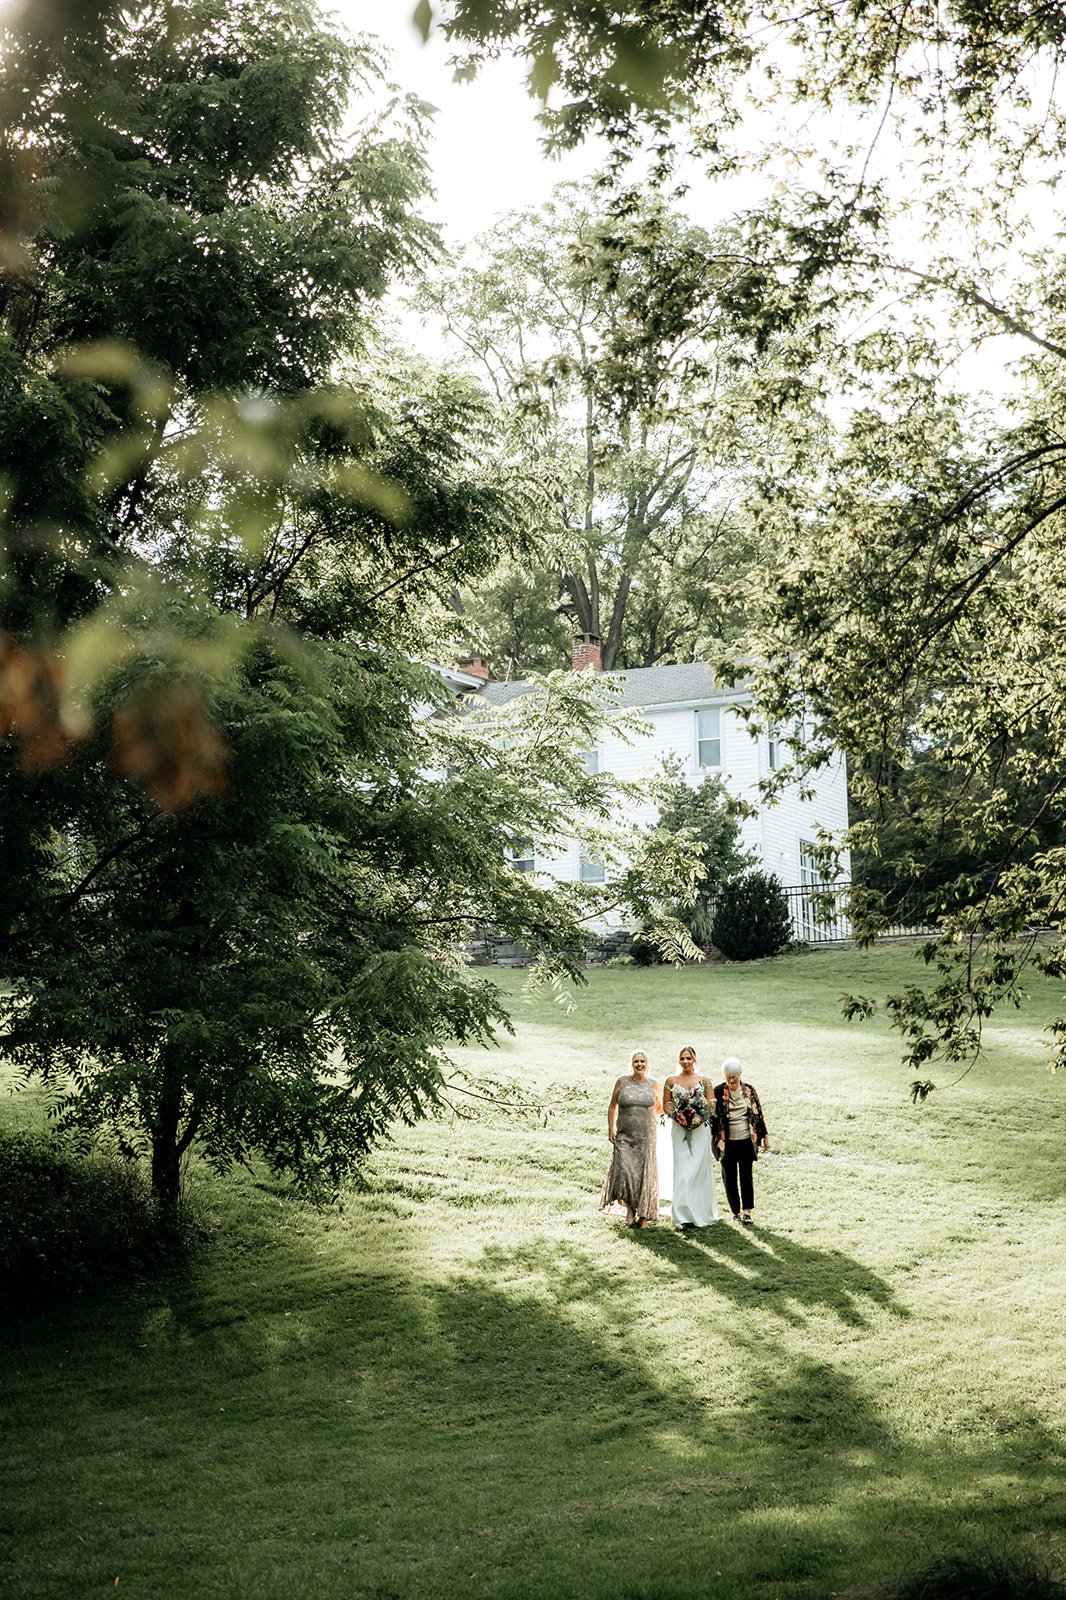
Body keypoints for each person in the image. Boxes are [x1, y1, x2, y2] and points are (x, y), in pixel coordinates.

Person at [601, 1049, 661, 1227]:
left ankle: (643, 1215)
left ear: (647, 1064)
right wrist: (610, 1128)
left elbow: (658, 1107)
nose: (640, 1064)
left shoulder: (653, 1084)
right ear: (632, 1064)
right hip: (625, 1136)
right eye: (636, 1061)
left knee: (643, 1174)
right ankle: (630, 1209)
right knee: (625, 1172)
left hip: (646, 1137)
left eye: (643, 1061)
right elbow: (612, 1107)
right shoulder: (622, 1081)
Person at [663, 1045, 719, 1230]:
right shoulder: (671, 1080)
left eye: (689, 1058)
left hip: (701, 1130)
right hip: (679, 1130)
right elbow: (667, 1105)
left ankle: (700, 1213)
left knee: (698, 1171)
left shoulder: (705, 1081)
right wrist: (679, 1118)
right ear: (678, 1060)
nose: (686, 1061)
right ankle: (681, 1216)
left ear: (694, 1059)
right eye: (682, 1058)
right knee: (682, 1172)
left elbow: (711, 1106)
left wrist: (698, 1119)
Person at [713, 1056, 769, 1225]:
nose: (731, 1080)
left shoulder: (749, 1090)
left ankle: (747, 1212)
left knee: (746, 1176)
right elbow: (713, 1118)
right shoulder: (718, 1091)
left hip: (746, 1140)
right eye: (728, 1077)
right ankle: (735, 1211)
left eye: (734, 1076)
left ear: (740, 1075)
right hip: (726, 1142)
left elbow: (758, 1114)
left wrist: (764, 1136)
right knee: (728, 1177)